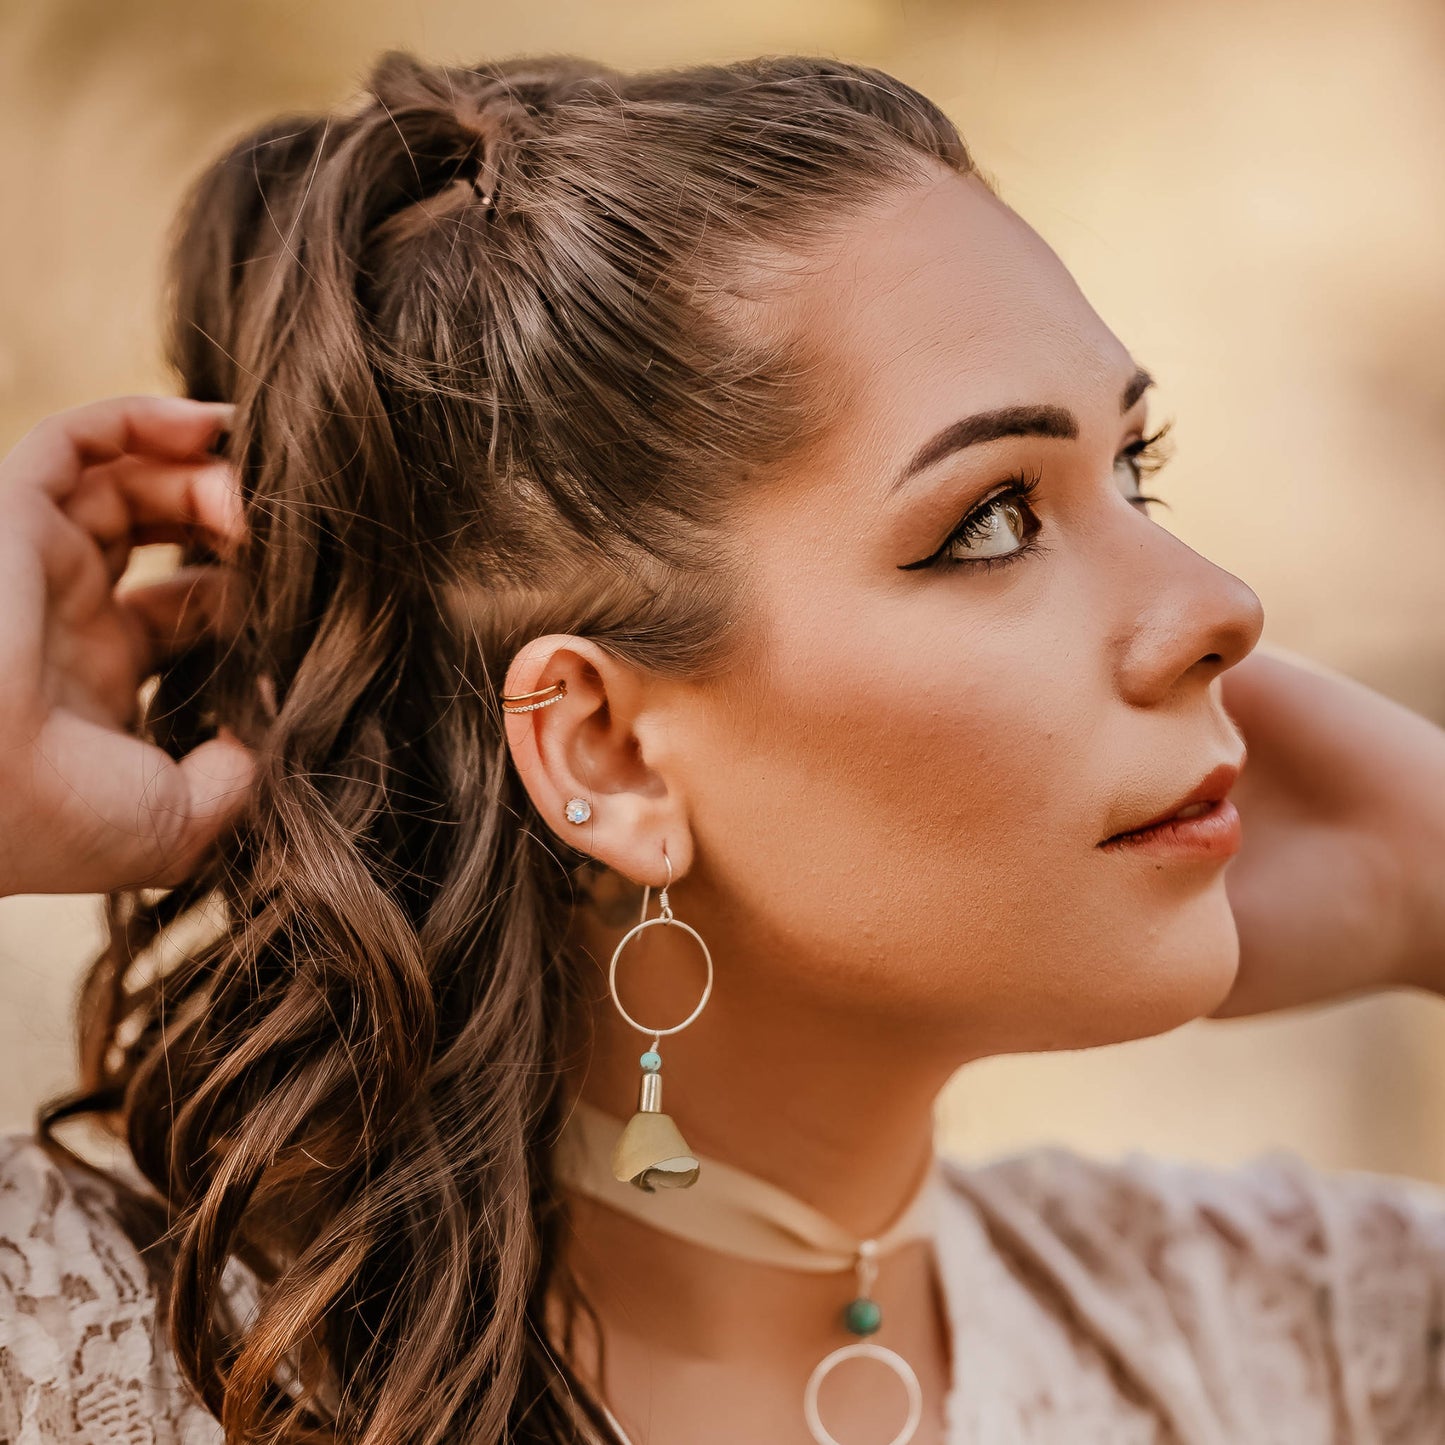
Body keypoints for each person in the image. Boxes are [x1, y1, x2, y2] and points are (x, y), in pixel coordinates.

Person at [2, 50, 1444, 1445]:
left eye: (1134, 469)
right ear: (606, 752)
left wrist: (1421, 870)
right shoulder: (74, 1351)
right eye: (993, 519)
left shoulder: (1288, 1342)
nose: (1218, 607)